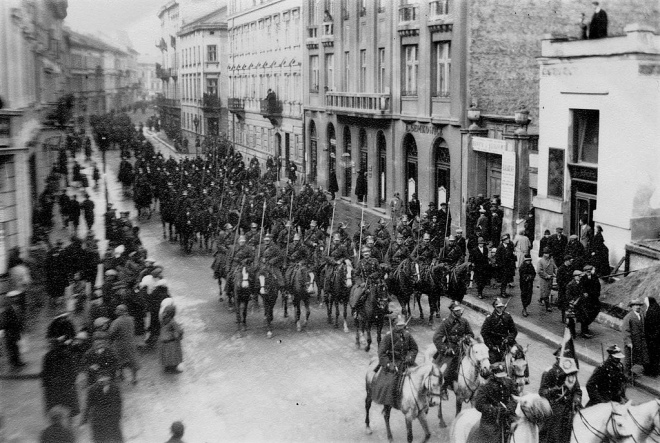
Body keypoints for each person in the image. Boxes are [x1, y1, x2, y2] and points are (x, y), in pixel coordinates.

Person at [373, 314, 418, 408]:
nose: (401, 327)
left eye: (402, 325)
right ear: (394, 325)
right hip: (394, 363)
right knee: (389, 384)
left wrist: (409, 358)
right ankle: (391, 402)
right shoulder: (388, 337)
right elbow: (381, 353)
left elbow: (414, 349)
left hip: (406, 362)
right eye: (399, 325)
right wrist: (389, 365)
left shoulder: (407, 335)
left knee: (420, 376)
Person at [434, 301, 474, 400]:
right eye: (457, 311)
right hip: (450, 348)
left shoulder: (464, 321)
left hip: (463, 347)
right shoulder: (446, 322)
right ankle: (443, 388)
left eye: (459, 310)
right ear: (452, 311)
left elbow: (470, 333)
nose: (459, 312)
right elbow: (437, 338)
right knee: (448, 369)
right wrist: (445, 349)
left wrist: (466, 338)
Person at [538, 356, 582, 443]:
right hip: (554, 406)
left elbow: (578, 391)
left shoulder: (572, 374)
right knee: (554, 433)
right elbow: (542, 391)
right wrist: (552, 391)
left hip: (569, 407)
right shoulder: (551, 372)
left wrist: (576, 400)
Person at [474, 362, 518, 443]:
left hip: (508, 415)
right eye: (499, 377)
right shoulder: (485, 386)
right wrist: (495, 410)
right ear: (493, 374)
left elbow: (515, 397)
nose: (502, 379)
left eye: (503, 376)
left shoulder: (509, 382)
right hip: (491, 419)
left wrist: (509, 407)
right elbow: (479, 404)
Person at [41, 336, 80, 419]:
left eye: (51, 345)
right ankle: (59, 422)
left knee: (66, 406)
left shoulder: (65, 355)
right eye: (49, 345)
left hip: (62, 385)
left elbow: (73, 370)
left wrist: (70, 380)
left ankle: (66, 422)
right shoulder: (48, 356)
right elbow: (45, 372)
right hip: (57, 386)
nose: (50, 347)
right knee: (63, 407)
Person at [82, 373, 124, 443]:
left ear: (109, 379)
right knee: (99, 439)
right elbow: (88, 406)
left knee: (116, 439)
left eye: (106, 379)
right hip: (98, 420)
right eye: (101, 381)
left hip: (112, 419)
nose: (104, 382)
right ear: (98, 380)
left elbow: (119, 403)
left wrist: (118, 416)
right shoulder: (92, 389)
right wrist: (84, 421)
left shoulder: (115, 388)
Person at [108, 305, 140, 384]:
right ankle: (134, 378)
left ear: (121, 311)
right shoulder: (131, 319)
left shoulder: (116, 322)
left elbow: (111, 333)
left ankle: (121, 375)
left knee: (119, 360)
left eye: (117, 310)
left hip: (120, 344)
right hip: (131, 343)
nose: (116, 311)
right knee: (132, 361)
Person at [481, 298, 518, 364]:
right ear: (494, 307)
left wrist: (509, 339)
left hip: (507, 342)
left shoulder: (507, 316)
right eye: (498, 307)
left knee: (519, 353)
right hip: (495, 344)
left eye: (501, 307)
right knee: (491, 362)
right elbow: (484, 333)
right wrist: (491, 346)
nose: (500, 309)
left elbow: (514, 331)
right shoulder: (489, 318)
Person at [622, 298, 649, 381]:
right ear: (632, 307)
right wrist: (628, 342)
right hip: (631, 343)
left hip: (639, 342)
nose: (638, 307)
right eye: (635, 305)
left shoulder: (641, 315)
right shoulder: (628, 317)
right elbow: (625, 331)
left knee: (636, 358)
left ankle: (631, 374)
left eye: (639, 305)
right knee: (628, 360)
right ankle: (625, 377)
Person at [0, 290, 25, 368]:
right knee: (12, 348)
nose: (16, 299)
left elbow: (20, 319)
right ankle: (14, 363)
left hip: (16, 331)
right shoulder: (7, 309)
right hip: (10, 332)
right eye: (13, 298)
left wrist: (21, 328)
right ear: (10, 299)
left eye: (17, 297)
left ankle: (18, 362)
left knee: (16, 347)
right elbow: (4, 323)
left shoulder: (18, 307)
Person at [160, 303, 184, 373]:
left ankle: (166, 368)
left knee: (166, 355)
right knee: (173, 356)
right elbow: (178, 331)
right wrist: (181, 331)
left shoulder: (163, 319)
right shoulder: (172, 322)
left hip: (164, 341)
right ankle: (173, 368)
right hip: (171, 341)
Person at [537, 248, 557, 312]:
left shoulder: (551, 260)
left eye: (548, 253)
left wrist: (556, 274)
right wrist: (546, 275)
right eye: (546, 253)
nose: (547, 255)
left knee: (547, 291)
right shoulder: (540, 261)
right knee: (545, 292)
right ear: (543, 254)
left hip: (550, 279)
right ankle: (548, 306)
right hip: (544, 279)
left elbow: (555, 268)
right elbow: (539, 271)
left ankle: (541, 299)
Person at [644, 297, 660, 377]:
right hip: (656, 337)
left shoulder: (651, 311)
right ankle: (656, 370)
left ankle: (651, 372)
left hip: (652, 337)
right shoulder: (657, 308)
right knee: (656, 355)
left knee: (651, 355)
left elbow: (649, 325)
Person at [556, 256, 574, 323]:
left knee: (568, 304)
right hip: (563, 290)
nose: (571, 262)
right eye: (570, 261)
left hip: (569, 289)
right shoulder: (561, 269)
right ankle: (563, 317)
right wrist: (565, 286)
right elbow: (559, 280)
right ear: (566, 261)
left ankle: (568, 317)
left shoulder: (571, 268)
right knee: (563, 304)